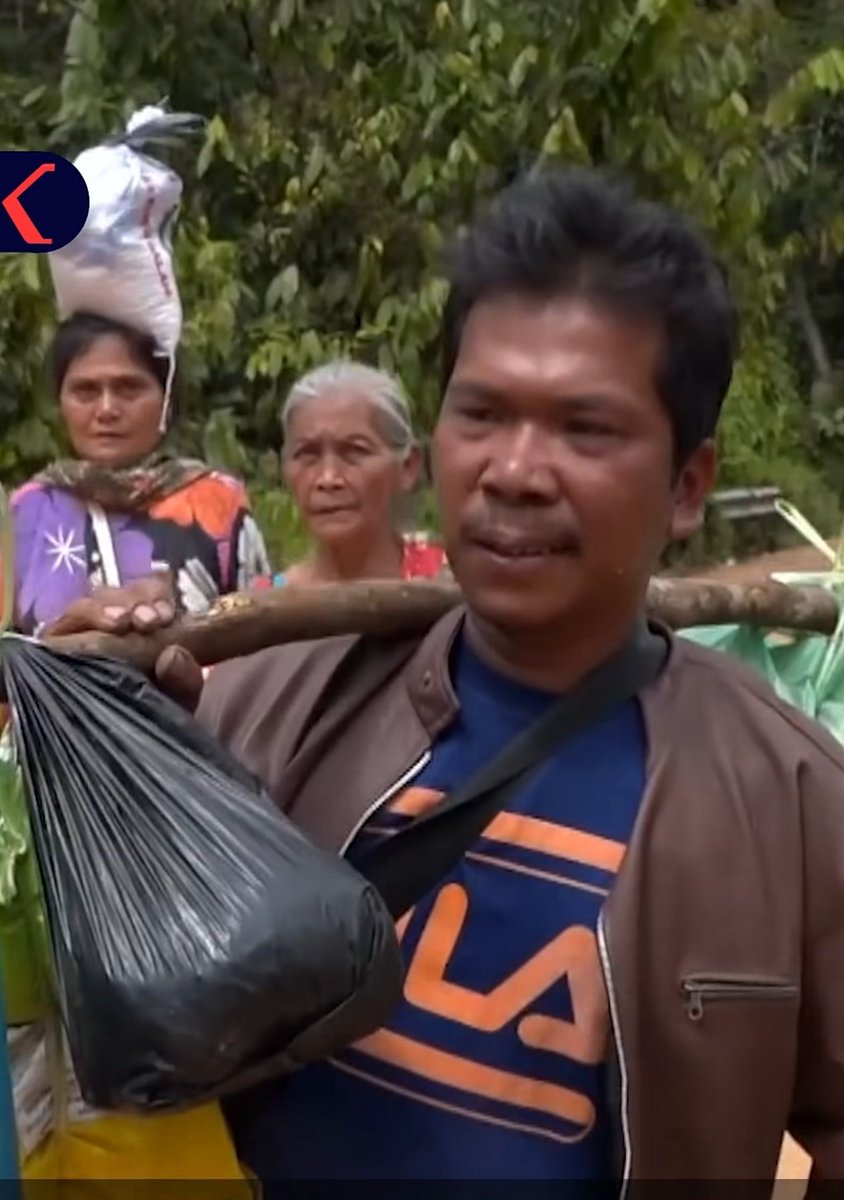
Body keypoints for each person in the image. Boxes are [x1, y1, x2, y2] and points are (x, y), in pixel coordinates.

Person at [50, 168, 844, 1185]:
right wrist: (100, 716)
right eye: (482, 413)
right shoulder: (263, 704)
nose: (513, 469)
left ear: (687, 485)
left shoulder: (790, 806)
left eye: (583, 428)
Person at [10, 312, 269, 634]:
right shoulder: (26, 511)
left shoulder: (218, 501)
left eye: (129, 388)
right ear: (60, 403)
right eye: (85, 391)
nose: (106, 410)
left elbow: (262, 635)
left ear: (166, 401)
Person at [258, 361, 446, 586]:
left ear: (407, 466)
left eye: (355, 451)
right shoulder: (265, 605)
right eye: (308, 454)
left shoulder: (458, 587)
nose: (328, 478)